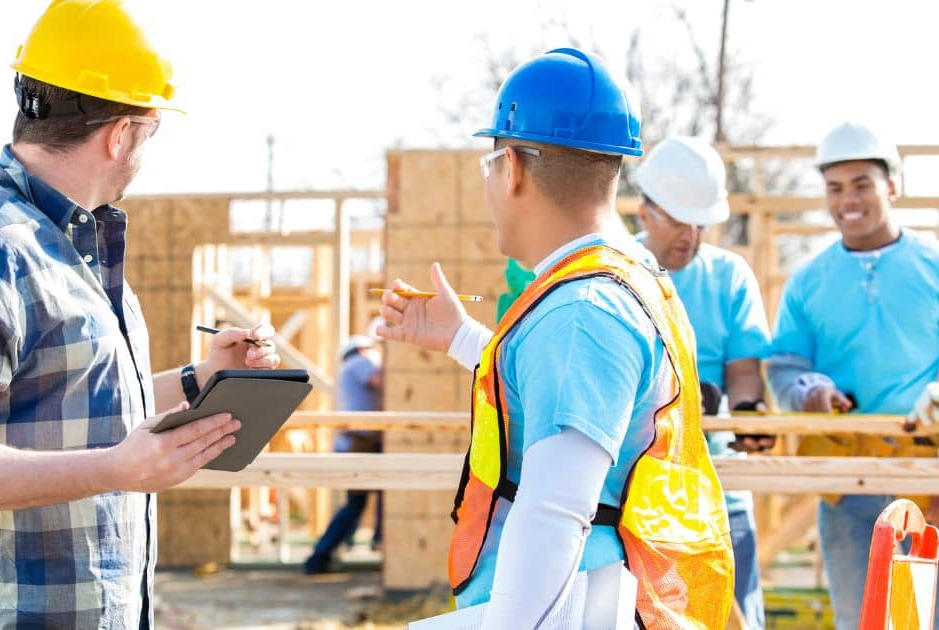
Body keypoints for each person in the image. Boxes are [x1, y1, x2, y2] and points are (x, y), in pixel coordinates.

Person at [0, 2, 280, 627]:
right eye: (151, 129)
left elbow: (76, 407)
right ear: (120, 133)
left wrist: (201, 378)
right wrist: (117, 469)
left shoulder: (72, 248)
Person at [378, 48, 734, 627]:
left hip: (578, 607)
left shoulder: (582, 311)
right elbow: (575, 401)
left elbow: (554, 513)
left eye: (489, 166)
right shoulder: (621, 281)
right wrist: (467, 340)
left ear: (513, 167)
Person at [767, 121, 939, 629]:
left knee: (921, 617)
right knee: (859, 619)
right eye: (835, 188)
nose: (848, 200)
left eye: (862, 184)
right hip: (845, 478)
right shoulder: (809, 282)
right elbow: (785, 368)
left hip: (926, 473)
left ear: (892, 185)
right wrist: (811, 391)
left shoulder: (932, 265)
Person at [634, 135, 773, 629]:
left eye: (701, 222)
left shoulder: (730, 276)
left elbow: (743, 372)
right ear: (644, 210)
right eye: (678, 220)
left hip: (722, 487)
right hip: (638, 494)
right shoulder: (619, 272)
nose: (691, 235)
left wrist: (749, 412)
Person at [303, 334, 384, 574]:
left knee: (363, 502)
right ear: (361, 350)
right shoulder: (361, 362)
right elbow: (382, 380)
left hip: (360, 442)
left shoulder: (350, 367)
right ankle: (319, 557)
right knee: (354, 505)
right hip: (360, 443)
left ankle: (332, 551)